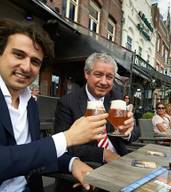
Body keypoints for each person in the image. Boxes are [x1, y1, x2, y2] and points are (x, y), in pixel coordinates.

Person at [0, 19, 108, 191]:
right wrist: (68, 138)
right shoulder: (67, 101)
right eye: (18, 55)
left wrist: (72, 163)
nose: (26, 67)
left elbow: (33, 151)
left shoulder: (30, 104)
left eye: (35, 62)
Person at [54, 53, 139, 165]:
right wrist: (103, 154)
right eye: (98, 75)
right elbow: (63, 144)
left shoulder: (117, 98)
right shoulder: (67, 102)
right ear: (87, 74)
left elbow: (137, 131)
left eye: (109, 77)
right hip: (88, 166)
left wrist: (126, 133)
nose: (104, 82)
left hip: (120, 161)